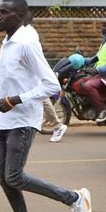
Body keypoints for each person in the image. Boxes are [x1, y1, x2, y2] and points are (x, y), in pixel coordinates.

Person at [0, 0, 92, 212]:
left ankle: (74, 198)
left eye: (4, 13)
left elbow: (50, 85)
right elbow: (10, 86)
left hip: (23, 120)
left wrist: (15, 100)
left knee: (13, 176)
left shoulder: (26, 43)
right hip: (6, 120)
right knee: (3, 177)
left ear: (20, 15)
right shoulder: (9, 43)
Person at [22, 11, 66, 143]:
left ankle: (57, 125)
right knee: (40, 97)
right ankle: (50, 122)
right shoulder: (26, 32)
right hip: (31, 70)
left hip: (34, 70)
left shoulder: (28, 33)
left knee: (41, 97)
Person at [72, 18, 106, 123]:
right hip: (104, 73)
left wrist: (96, 70)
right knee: (79, 82)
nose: (102, 28)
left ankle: (103, 109)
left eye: (104, 26)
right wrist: (83, 60)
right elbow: (97, 58)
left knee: (88, 85)